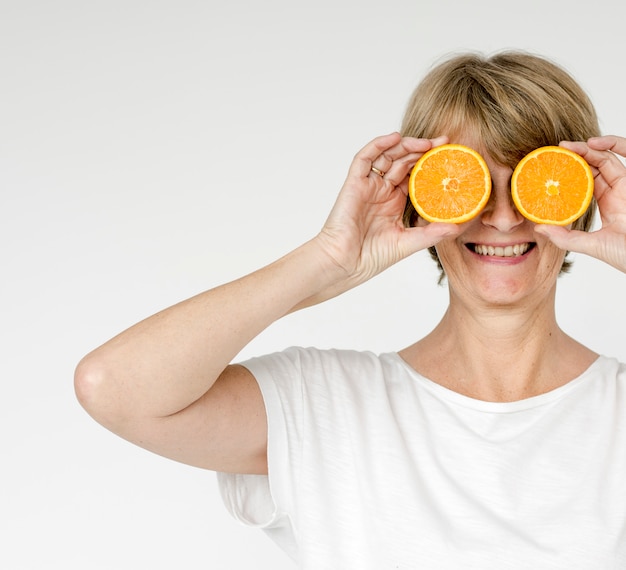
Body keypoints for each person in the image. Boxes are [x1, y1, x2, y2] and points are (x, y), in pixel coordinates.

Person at [74, 51, 626, 568]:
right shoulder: (325, 404)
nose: (504, 219)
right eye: (468, 184)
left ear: (579, 199)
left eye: (536, 184)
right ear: (419, 200)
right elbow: (112, 386)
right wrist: (327, 259)